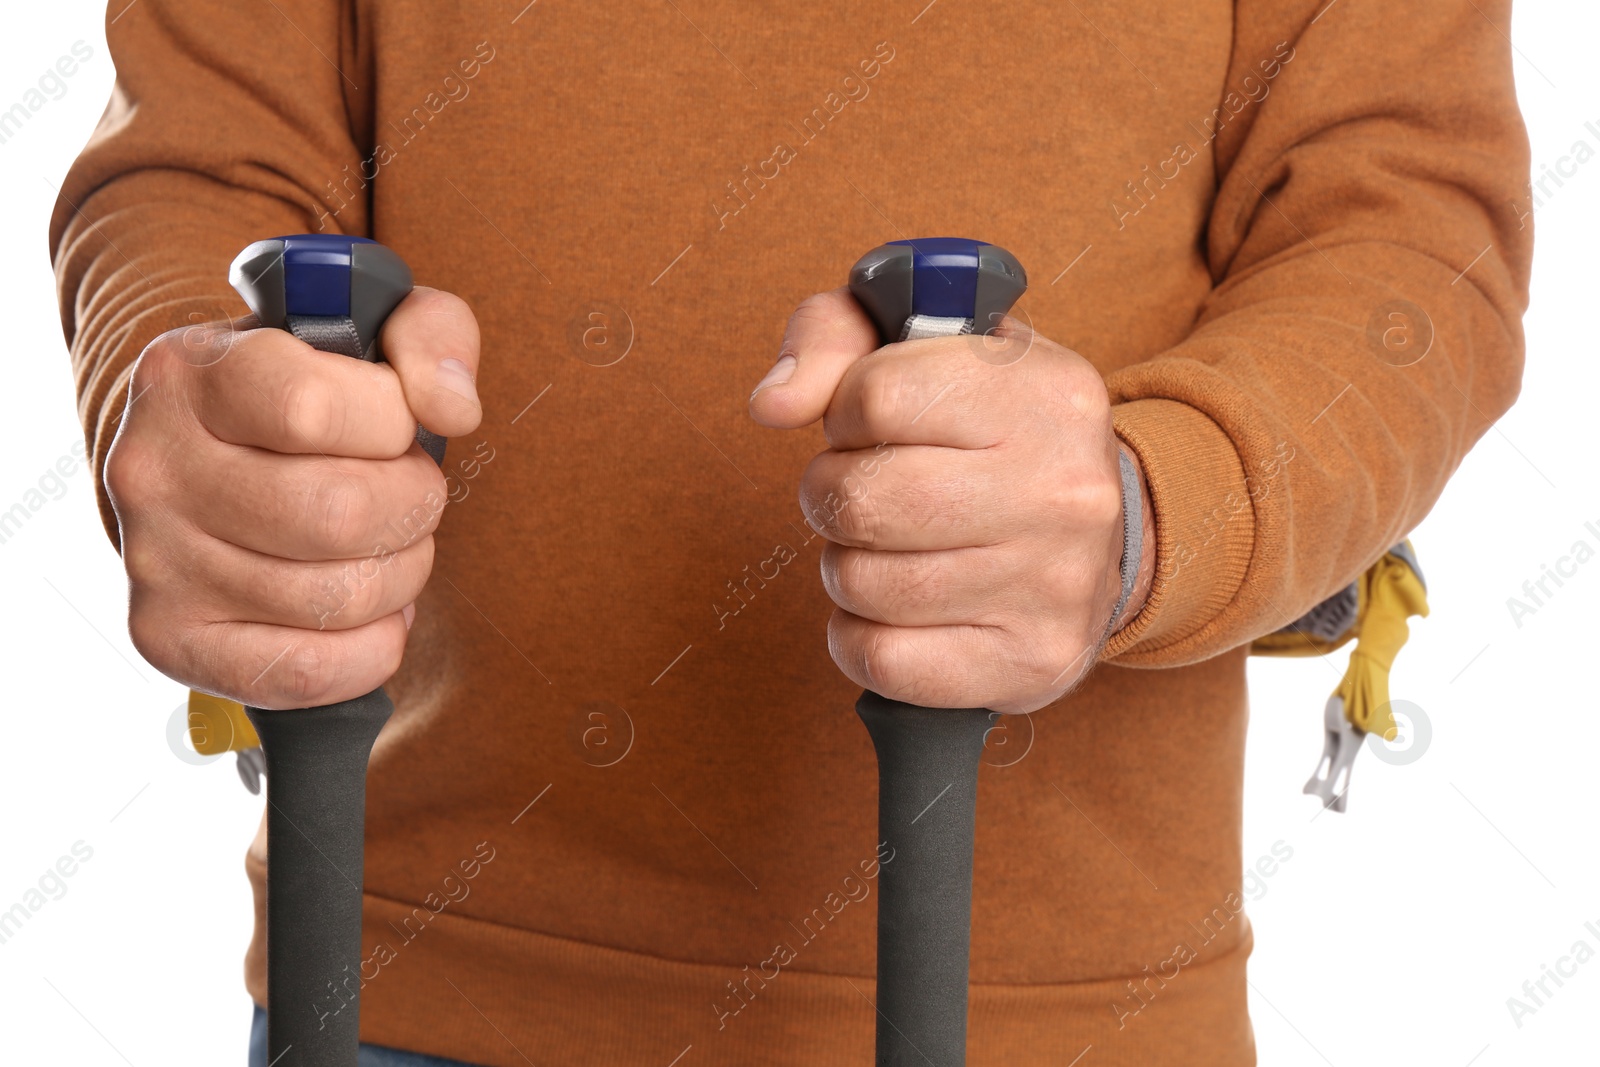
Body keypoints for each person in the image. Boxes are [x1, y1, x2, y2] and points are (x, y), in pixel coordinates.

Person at [50, 1, 1530, 1063]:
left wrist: (1152, 508)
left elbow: (1407, 231)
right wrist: (192, 405)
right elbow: (206, 163)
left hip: (1057, 1020)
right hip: (387, 986)